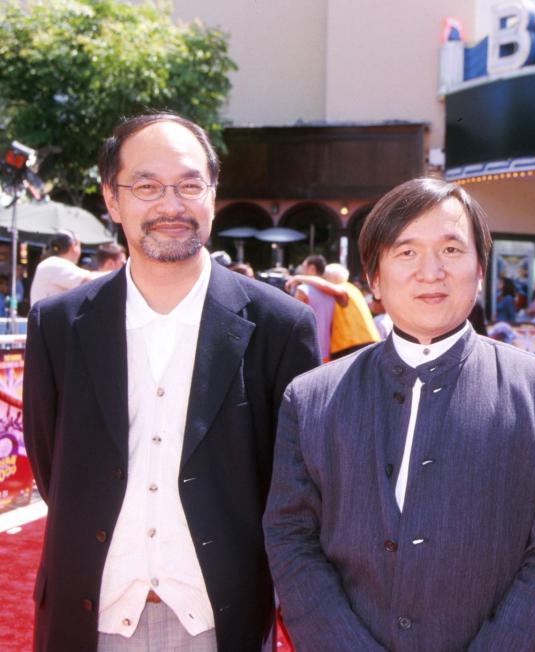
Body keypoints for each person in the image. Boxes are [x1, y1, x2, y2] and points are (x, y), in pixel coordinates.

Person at [23, 113, 320, 652]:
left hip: (219, 618)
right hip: (92, 616)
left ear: (212, 195)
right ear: (112, 200)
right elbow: (52, 469)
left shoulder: (281, 326)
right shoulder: (57, 325)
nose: (170, 204)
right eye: (146, 186)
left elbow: (295, 485)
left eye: (189, 184)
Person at [264, 177, 535, 651]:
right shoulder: (311, 398)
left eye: (452, 250)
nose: (430, 271)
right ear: (373, 275)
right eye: (406, 252)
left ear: (480, 269)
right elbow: (291, 537)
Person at [287, 261, 381, 359]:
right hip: (360, 342)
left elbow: (323, 285)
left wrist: (298, 278)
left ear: (332, 279)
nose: (324, 280)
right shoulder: (353, 289)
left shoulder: (344, 289)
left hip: (353, 343)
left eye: (325, 278)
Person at [29, 229, 103, 304]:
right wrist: (114, 274)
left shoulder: (50, 263)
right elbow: (90, 280)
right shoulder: (55, 263)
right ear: (73, 246)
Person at [292, 254, 336, 361]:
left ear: (311, 269)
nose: (300, 270)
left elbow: (293, 320)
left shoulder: (302, 290)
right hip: (327, 351)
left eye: (303, 266)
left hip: (306, 349)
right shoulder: (332, 293)